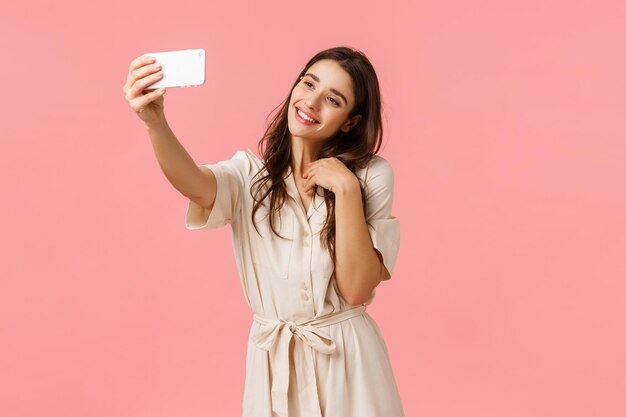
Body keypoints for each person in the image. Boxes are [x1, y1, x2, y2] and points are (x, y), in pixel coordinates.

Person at [123, 46, 405, 417]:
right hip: (274, 364)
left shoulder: (370, 176)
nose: (311, 102)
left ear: (351, 121)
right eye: (308, 84)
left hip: (349, 362)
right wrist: (155, 123)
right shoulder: (249, 178)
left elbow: (356, 289)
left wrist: (347, 191)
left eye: (332, 100)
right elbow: (193, 183)